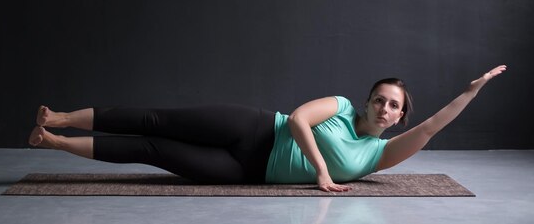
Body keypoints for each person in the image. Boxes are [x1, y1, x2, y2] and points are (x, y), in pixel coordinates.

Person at [29, 64, 507, 192]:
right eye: (379, 99)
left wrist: (471, 91)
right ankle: (61, 116)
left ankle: (51, 141)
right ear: (366, 101)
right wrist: (322, 171)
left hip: (247, 171)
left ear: (400, 116)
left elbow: (431, 129)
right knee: (160, 119)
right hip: (255, 129)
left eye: (394, 107)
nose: (384, 109)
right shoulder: (340, 106)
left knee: (152, 150)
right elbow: (299, 119)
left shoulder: (379, 156)